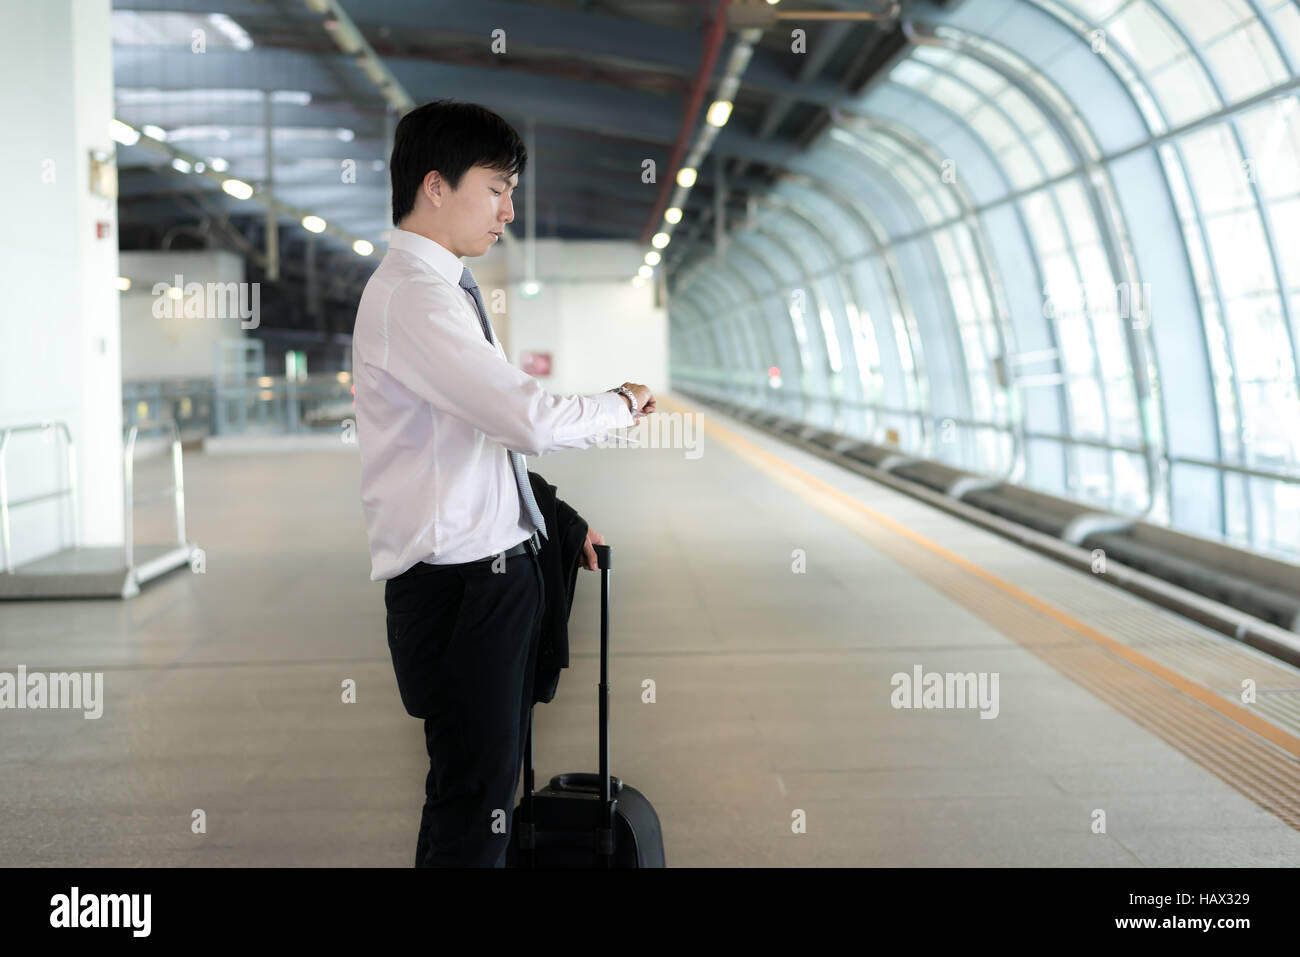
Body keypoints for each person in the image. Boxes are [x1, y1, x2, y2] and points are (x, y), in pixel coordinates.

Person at [351, 99, 655, 867]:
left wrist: (555, 517)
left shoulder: (444, 287)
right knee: (472, 803)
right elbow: (524, 418)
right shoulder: (415, 297)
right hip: (460, 590)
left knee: (476, 793)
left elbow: (481, 437)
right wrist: (619, 405)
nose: (508, 211)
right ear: (436, 187)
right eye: (497, 188)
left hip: (485, 577)